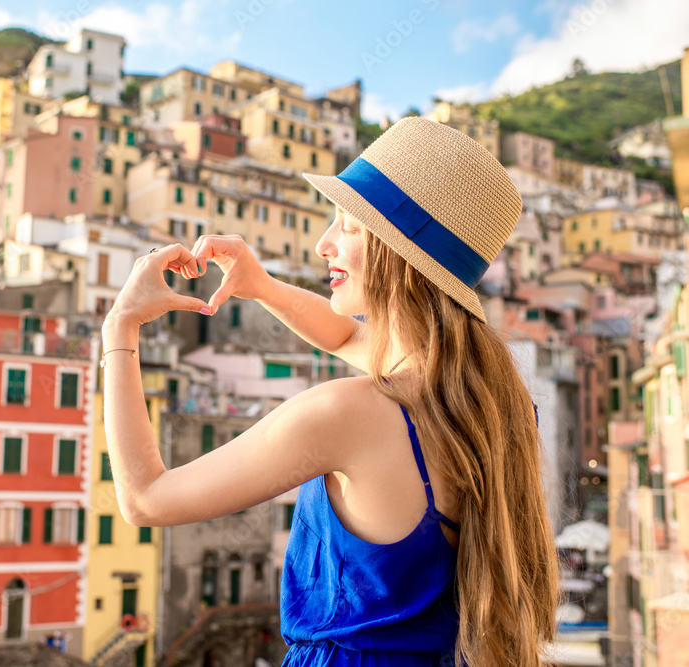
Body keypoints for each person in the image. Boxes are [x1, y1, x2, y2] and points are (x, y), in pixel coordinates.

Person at [101, 117, 559, 666]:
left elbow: (144, 498)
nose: (323, 244)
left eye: (348, 226)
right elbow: (346, 335)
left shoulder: (345, 414)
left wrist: (120, 329)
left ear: (396, 253)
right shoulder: (489, 398)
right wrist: (260, 285)